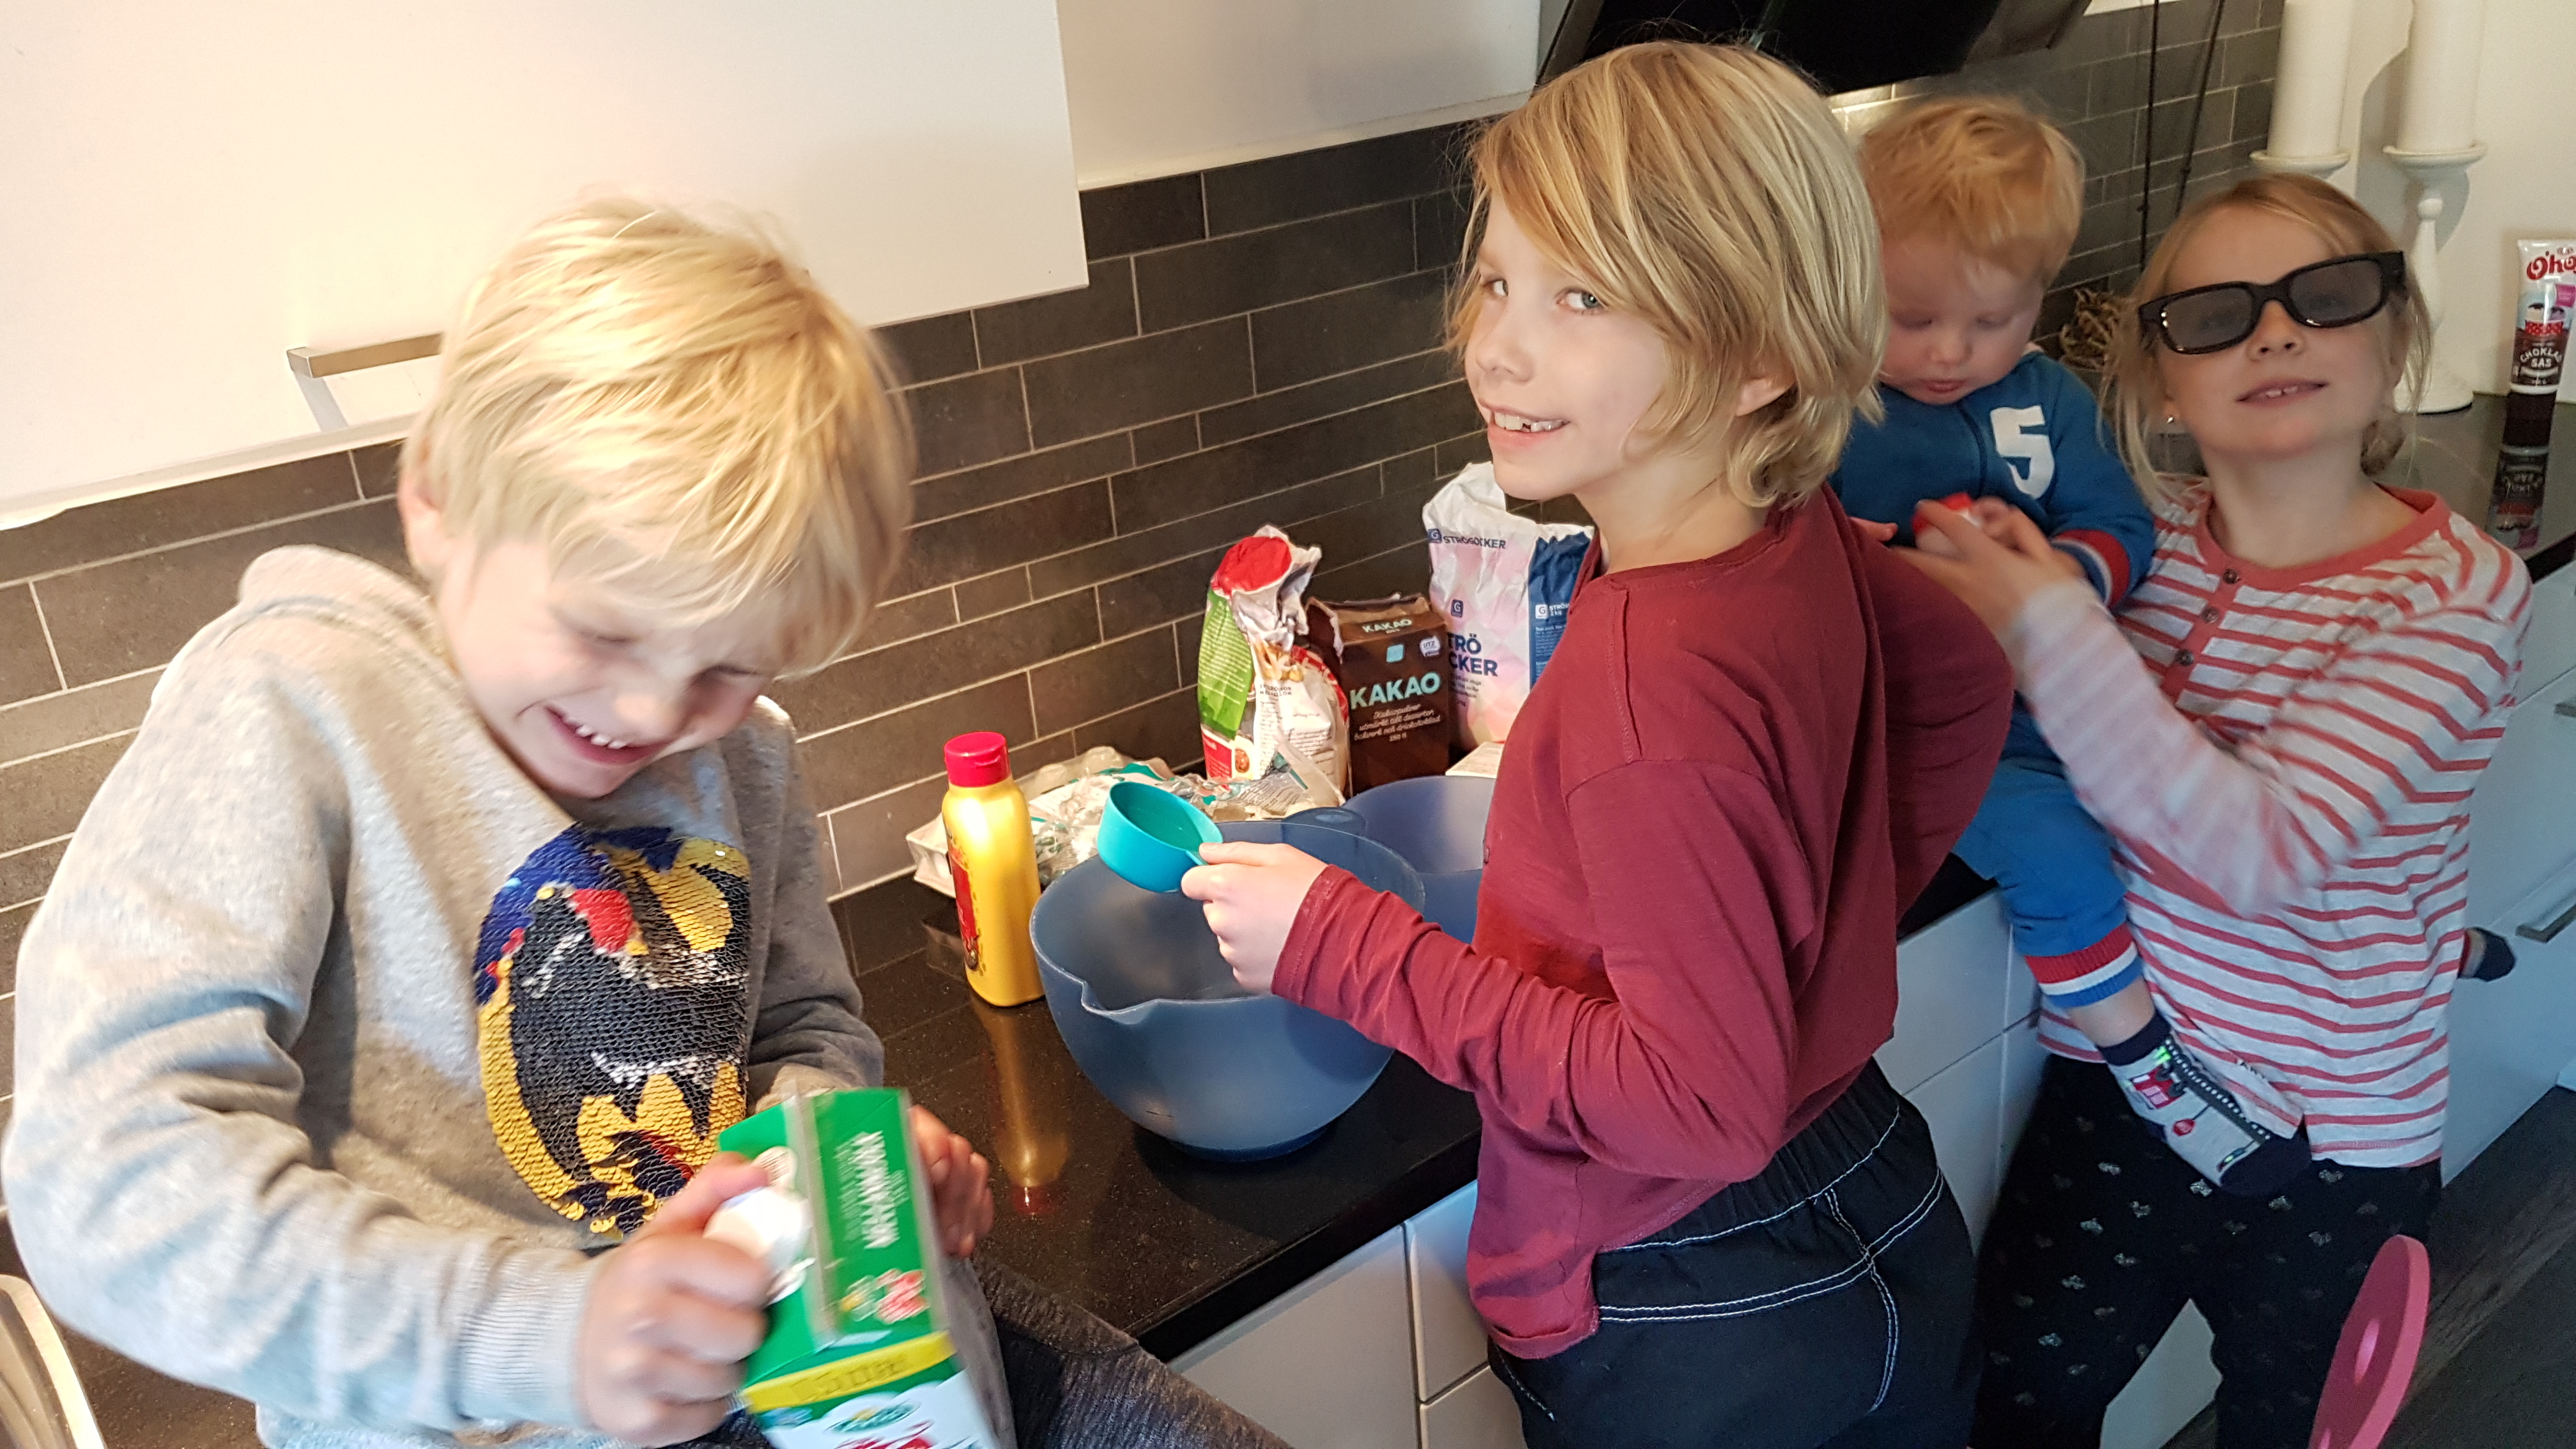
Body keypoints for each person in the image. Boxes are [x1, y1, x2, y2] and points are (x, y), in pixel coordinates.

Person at [4, 199, 1281, 1449]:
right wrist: (555, 1333)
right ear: (437, 499)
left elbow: (801, 1032)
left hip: (813, 1365)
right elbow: (100, 1180)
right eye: (604, 630)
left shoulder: (746, 752)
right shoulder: (294, 708)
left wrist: (837, 1166)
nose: (657, 714)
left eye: (728, 664)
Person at [1180, 43, 2014, 1449]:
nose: (1496, 347)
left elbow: (1698, 1107)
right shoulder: (1791, 531)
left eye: (1582, 297)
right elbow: (1962, 682)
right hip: (1870, 1180)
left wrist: (1344, 946)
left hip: (1695, 1299)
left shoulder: (1646, 687)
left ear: (1760, 358)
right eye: (1497, 281)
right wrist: (1804, 946)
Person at [1904, 174, 2529, 1448]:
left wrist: (2046, 625)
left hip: (2334, 1130)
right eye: (2217, 315)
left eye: (2326, 298)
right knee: (2020, 1402)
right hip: (2120, 1094)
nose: (2277, 333)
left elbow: (2261, 853)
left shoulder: (2455, 599)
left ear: (2396, 337)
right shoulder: (2138, 544)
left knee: (2289, 1423)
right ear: (2158, 382)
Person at [1832, 96, 2308, 1196]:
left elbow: (2120, 524)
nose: (1952, 352)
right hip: (1927, 740)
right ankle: (2147, 1063)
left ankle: (2409, 948)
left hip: (2067, 696)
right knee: (2052, 848)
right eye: (1912, 317)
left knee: (2210, 798)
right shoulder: (1829, 412)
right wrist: (1859, 559)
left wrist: (2060, 576)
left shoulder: (2050, 397)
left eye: (1993, 319)